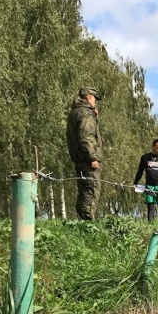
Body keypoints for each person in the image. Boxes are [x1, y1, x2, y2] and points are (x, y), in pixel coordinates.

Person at [66, 87, 103, 220]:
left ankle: (80, 219)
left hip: (78, 158)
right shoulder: (86, 113)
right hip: (88, 159)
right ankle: (87, 222)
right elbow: (86, 137)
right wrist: (92, 157)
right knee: (91, 189)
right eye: (94, 99)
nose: (95, 102)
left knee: (82, 191)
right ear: (88, 98)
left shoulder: (74, 112)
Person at [134, 139, 158, 222]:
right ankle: (150, 225)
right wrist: (135, 182)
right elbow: (140, 171)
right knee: (150, 206)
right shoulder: (145, 158)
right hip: (149, 186)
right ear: (153, 147)